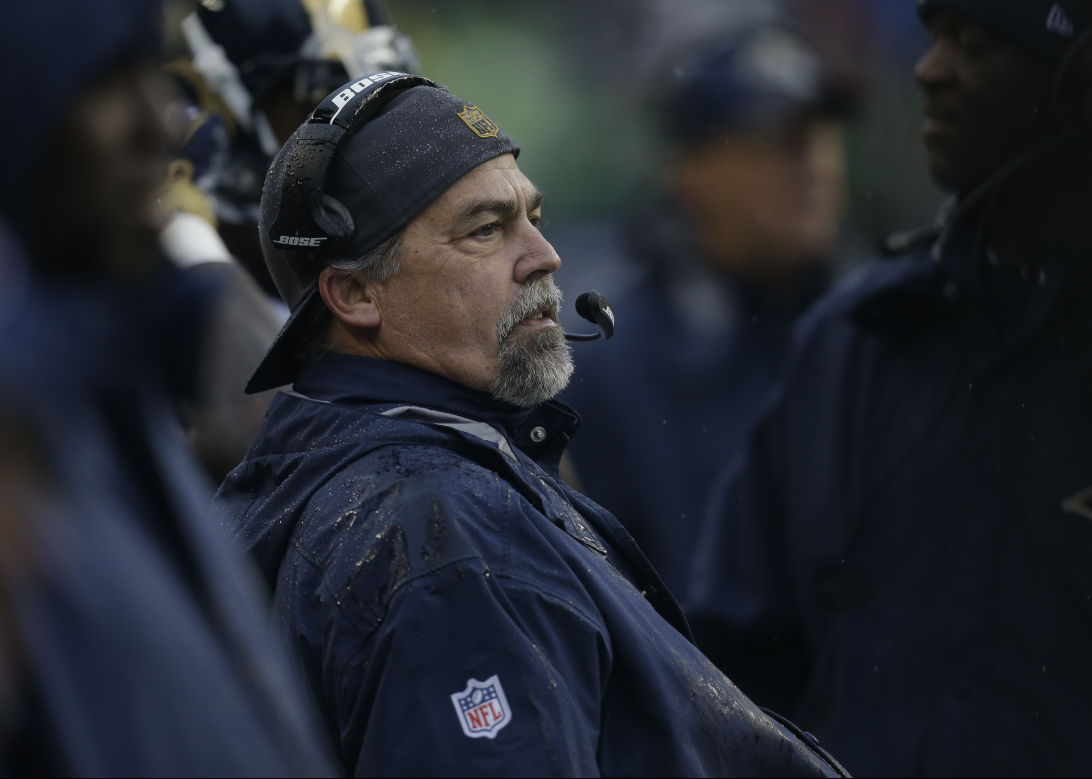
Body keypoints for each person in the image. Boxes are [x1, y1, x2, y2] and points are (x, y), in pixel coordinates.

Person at [212, 70, 849, 777]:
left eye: (533, 218)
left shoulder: (305, 489)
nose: (544, 257)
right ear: (356, 293)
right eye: (486, 230)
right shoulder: (448, 537)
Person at [686, 1, 1092, 776]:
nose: (928, 69)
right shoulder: (855, 345)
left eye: (978, 43)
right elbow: (725, 677)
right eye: (934, 35)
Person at [0, 0, 337, 774]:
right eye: (104, 86)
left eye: (155, 82)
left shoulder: (116, 372)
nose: (163, 125)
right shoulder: (23, 442)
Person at [556, 17, 857, 598]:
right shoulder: (607, 364)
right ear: (688, 171)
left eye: (820, 133)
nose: (811, 163)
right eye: (772, 140)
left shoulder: (879, 329)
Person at [159, 0, 422, 482]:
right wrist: (182, 235)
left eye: (371, 90)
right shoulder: (161, 286)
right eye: (319, 94)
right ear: (204, 120)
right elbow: (272, 451)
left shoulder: (387, 264)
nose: (354, 126)